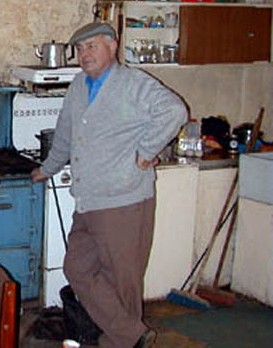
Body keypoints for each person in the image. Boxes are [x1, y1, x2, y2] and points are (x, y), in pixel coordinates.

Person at [31, 22, 187, 348]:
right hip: (88, 200)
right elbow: (64, 136)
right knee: (77, 267)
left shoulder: (132, 83)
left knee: (122, 281)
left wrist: (146, 152)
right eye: (80, 49)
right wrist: (48, 168)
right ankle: (132, 336)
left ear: (112, 46)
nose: (84, 54)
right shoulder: (78, 86)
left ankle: (122, 342)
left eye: (92, 46)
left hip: (124, 200)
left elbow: (174, 111)